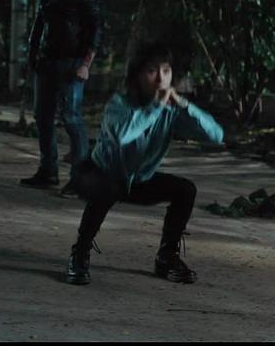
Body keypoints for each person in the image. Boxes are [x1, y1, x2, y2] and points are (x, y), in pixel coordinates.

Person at [64, 41, 224, 285]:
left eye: (166, 71)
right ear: (137, 75)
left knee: (185, 190)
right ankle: (80, 252)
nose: (161, 79)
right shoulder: (119, 104)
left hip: (139, 181)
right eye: (151, 71)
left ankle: (166, 257)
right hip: (98, 174)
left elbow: (216, 135)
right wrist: (156, 107)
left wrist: (184, 106)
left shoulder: (171, 110)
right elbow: (123, 135)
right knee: (107, 189)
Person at [19, 0, 102, 196]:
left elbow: (95, 30)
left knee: (71, 118)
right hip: (46, 60)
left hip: (72, 62)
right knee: (42, 116)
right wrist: (32, 56)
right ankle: (48, 171)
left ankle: (80, 178)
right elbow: (39, 24)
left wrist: (85, 63)